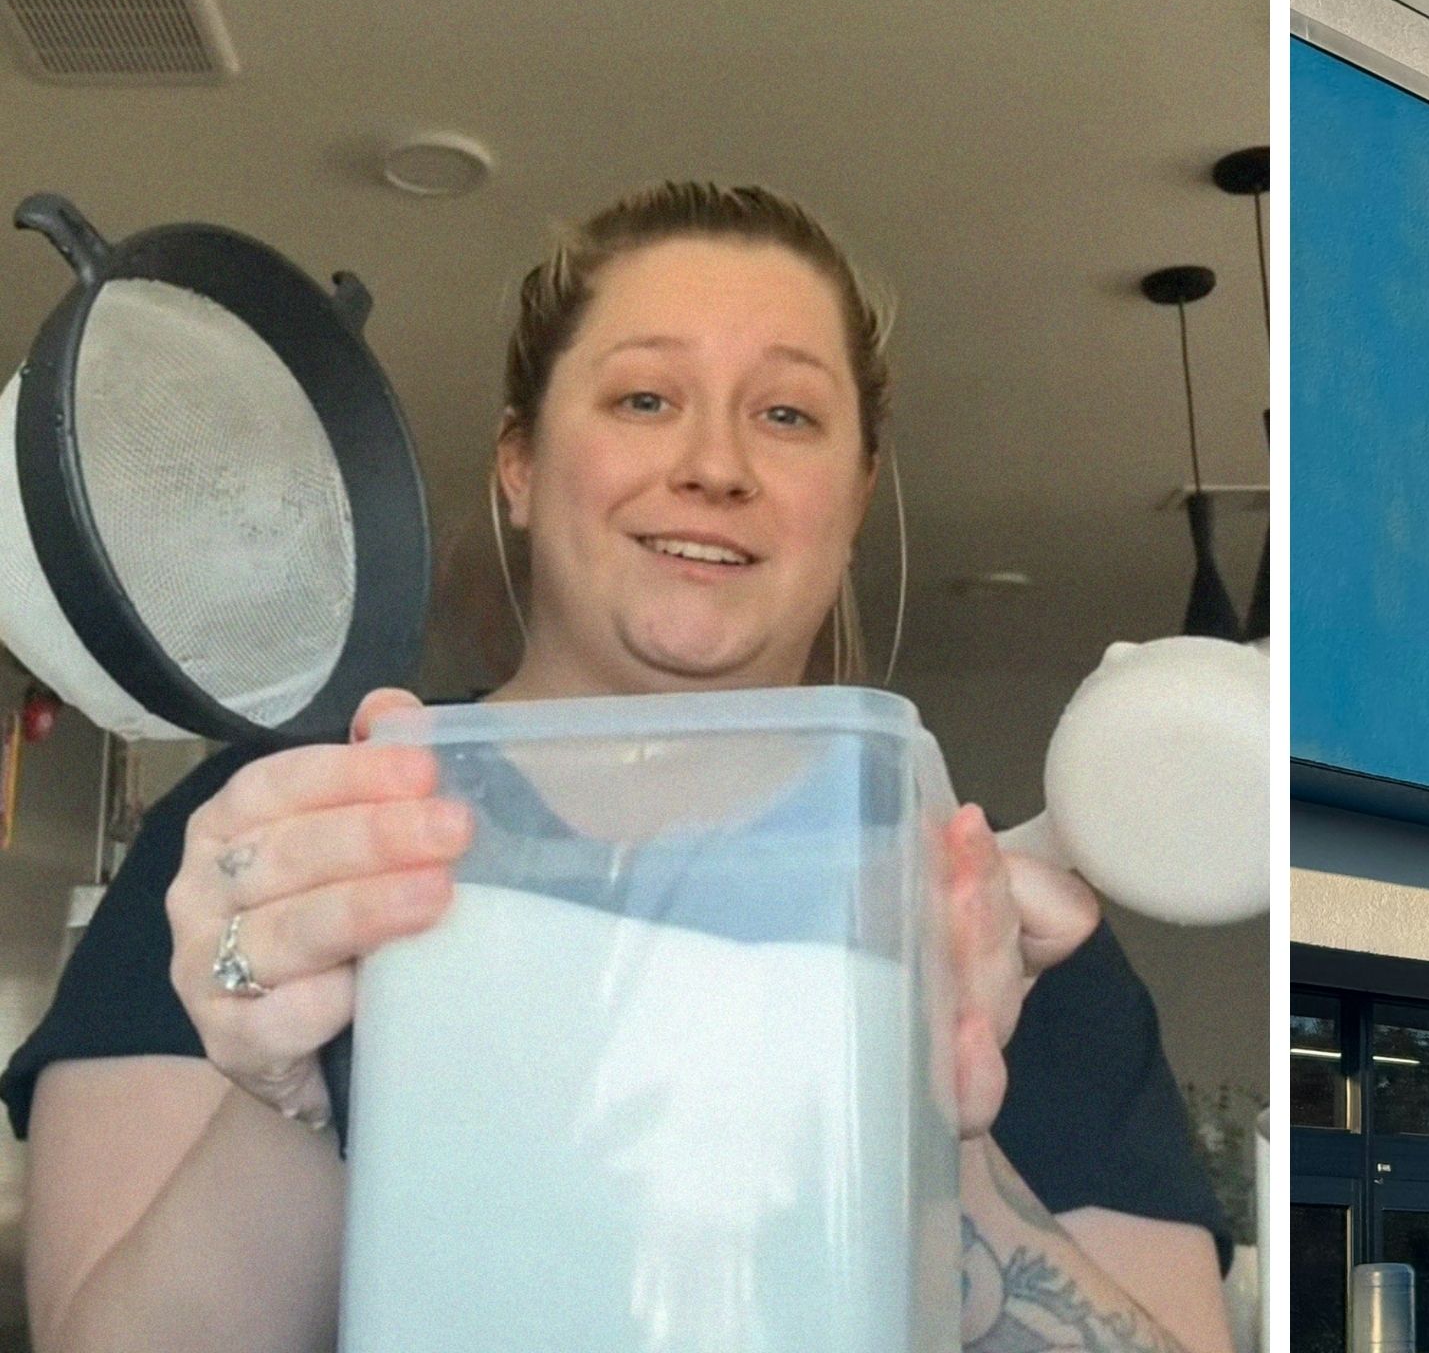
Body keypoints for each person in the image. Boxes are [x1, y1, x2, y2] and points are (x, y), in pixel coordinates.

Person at [1, 183, 1233, 1353]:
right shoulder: (279, 846)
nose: (715, 463)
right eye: (644, 398)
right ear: (522, 464)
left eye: (788, 414)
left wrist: (939, 1139)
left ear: (853, 498)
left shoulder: (996, 929)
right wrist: (291, 1090)